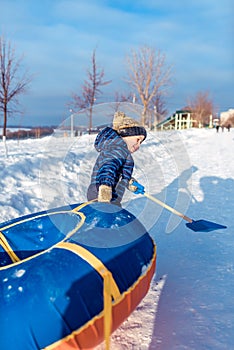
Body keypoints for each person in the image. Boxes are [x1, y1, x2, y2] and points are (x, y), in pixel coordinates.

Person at [87, 111, 146, 205]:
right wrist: (105, 189)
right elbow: (108, 168)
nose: (138, 145)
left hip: (109, 196)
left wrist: (129, 182)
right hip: (102, 196)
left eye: (141, 142)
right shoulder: (117, 150)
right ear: (126, 135)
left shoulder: (121, 151)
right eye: (138, 140)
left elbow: (118, 174)